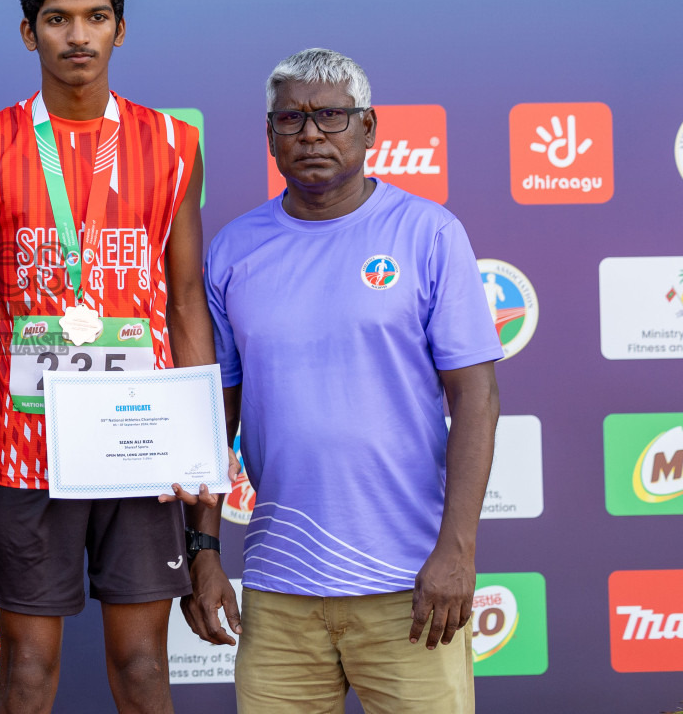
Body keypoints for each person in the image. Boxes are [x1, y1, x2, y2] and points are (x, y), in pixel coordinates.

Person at [0, 0, 221, 714]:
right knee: (28, 671)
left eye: (95, 17)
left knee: (141, 668)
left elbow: (187, 298)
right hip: (27, 456)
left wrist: (201, 440)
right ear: (29, 31)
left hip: (143, 445)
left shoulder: (174, 145)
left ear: (119, 28)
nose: (78, 35)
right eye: (58, 18)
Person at [190, 48, 502, 714]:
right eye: (291, 120)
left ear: (369, 127)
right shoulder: (235, 250)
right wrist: (205, 551)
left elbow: (476, 398)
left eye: (330, 116)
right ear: (269, 136)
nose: (310, 135)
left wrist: (457, 551)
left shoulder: (428, 234)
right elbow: (214, 419)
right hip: (279, 593)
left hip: (411, 586)